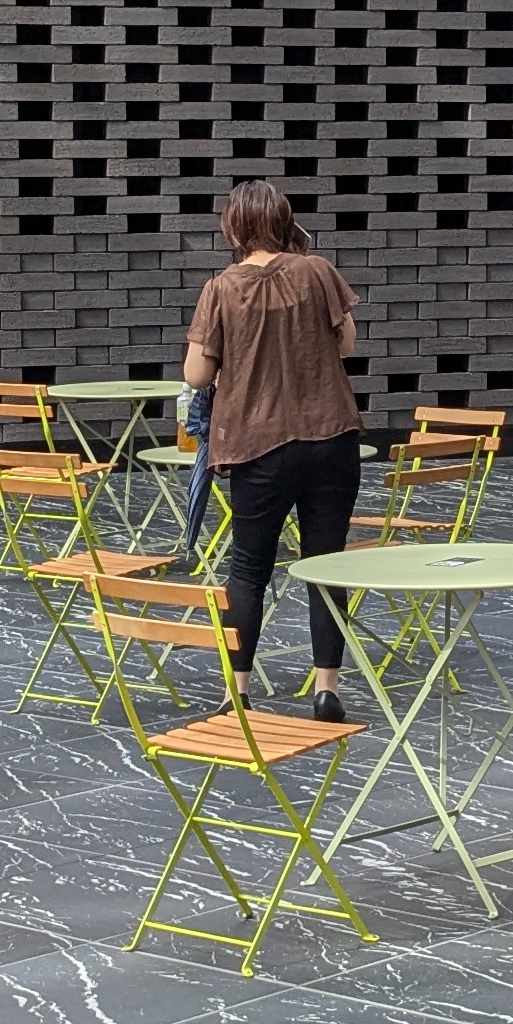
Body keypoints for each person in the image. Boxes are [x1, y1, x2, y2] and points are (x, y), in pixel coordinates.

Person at [183, 182, 362, 722]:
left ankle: (236, 689)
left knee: (249, 566)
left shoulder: (221, 288)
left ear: (234, 227)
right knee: (325, 563)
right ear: (286, 221)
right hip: (330, 437)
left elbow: (197, 374)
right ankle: (326, 687)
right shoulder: (318, 271)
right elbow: (346, 343)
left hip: (257, 445)